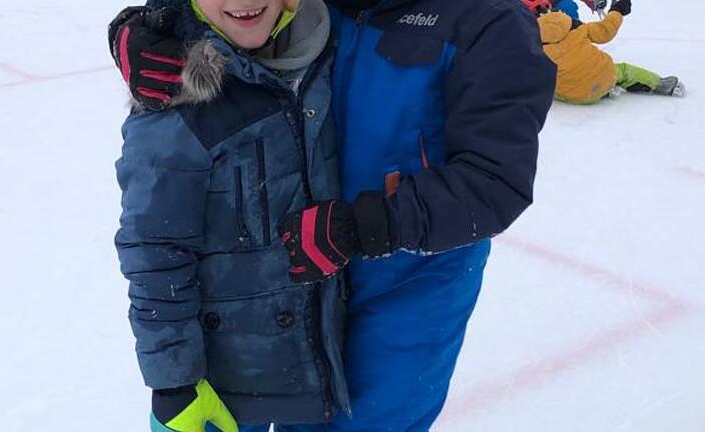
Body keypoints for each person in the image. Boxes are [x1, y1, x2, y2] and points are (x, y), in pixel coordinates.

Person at [111, 0, 556, 430]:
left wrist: (363, 227)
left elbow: (494, 181)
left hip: (407, 288)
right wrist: (145, 27)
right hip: (300, 284)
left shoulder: (488, 22)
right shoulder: (323, 6)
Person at [112, 0, 351, 431]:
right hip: (231, 390)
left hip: (323, 363)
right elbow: (154, 253)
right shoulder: (175, 105)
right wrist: (174, 386)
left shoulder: (321, 54)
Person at [524, 0, 685, 104]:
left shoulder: (528, 42)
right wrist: (617, 10)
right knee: (623, 70)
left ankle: (580, 83)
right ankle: (660, 84)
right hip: (605, 75)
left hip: (573, 95)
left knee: (544, 81)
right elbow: (606, 30)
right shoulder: (577, 27)